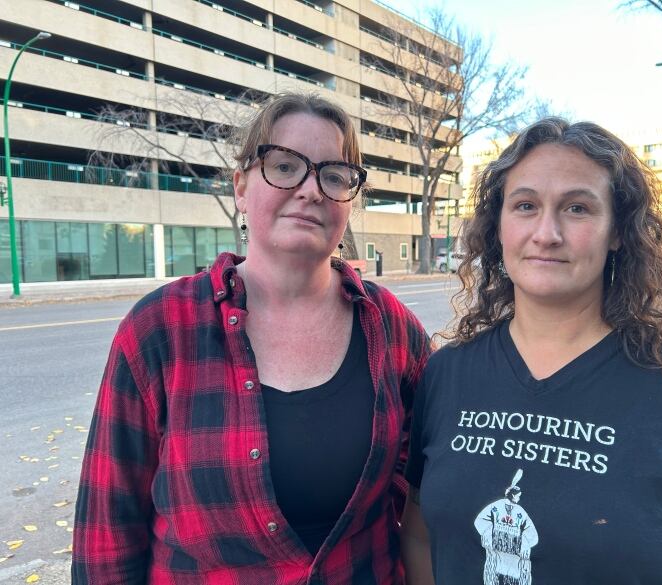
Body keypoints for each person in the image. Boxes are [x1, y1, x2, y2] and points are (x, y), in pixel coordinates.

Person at [400, 117, 662, 584]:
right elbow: (419, 535)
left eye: (577, 208)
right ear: (497, 226)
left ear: (618, 231)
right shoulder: (446, 374)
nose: (546, 233)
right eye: (524, 205)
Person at [72, 93, 430, 584]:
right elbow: (107, 535)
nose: (311, 190)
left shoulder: (391, 327)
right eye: (285, 166)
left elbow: (426, 489)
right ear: (241, 187)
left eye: (333, 175)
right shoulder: (158, 329)